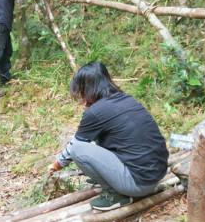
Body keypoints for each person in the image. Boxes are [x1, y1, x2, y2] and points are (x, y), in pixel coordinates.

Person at [48, 62, 169, 211]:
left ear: (87, 88)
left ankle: (115, 195)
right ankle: (117, 181)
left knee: (79, 149)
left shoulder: (96, 112)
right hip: (157, 174)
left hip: (139, 183)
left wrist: (57, 164)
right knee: (95, 140)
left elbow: (75, 145)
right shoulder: (127, 99)